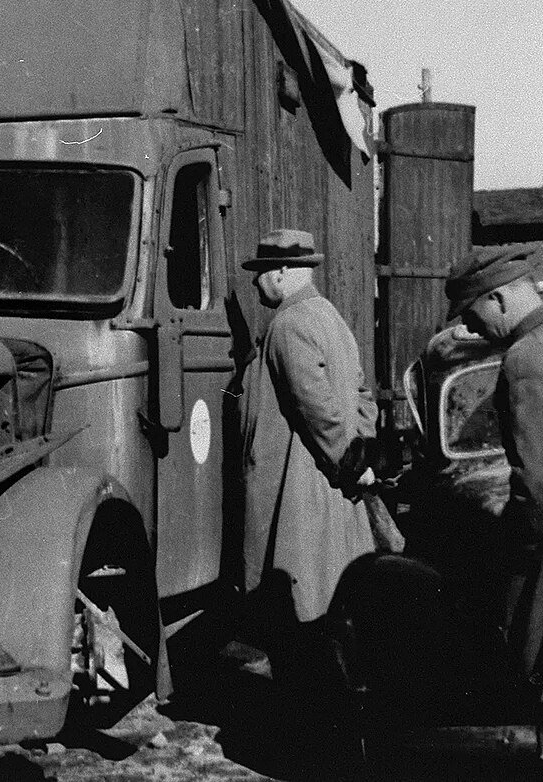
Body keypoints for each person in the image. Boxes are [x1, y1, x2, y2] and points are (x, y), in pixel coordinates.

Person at [238, 229, 378, 765]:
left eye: (260, 274)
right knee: (324, 609)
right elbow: (361, 395)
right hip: (333, 487)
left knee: (298, 617)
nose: (256, 284)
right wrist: (359, 459)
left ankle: (311, 744)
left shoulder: (290, 324)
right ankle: (330, 734)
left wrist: (347, 458)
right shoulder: (331, 319)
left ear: (279, 274)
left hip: (300, 492)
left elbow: (315, 407)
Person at [445, 244, 543, 759]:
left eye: (473, 311)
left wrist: (521, 559)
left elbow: (537, 483)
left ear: (501, 300)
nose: (471, 326)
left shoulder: (526, 359)